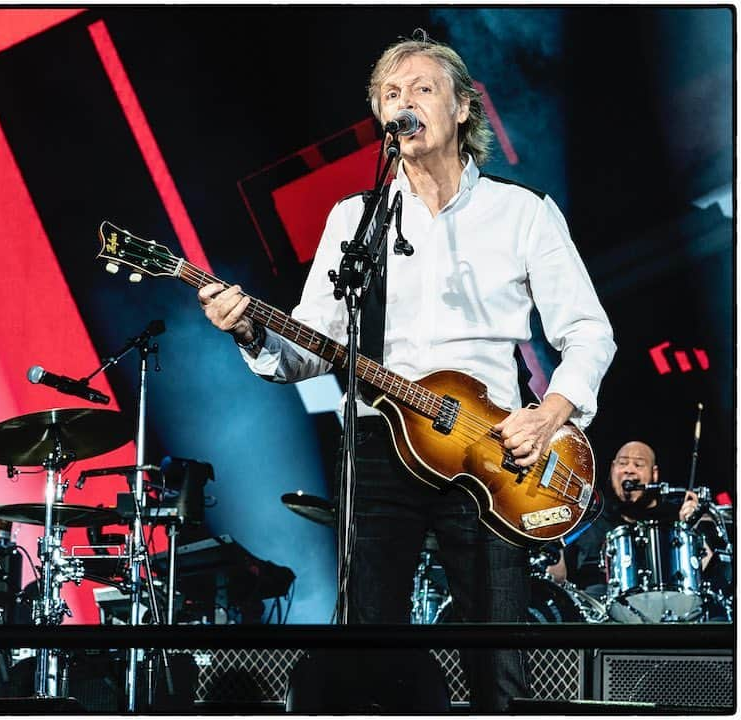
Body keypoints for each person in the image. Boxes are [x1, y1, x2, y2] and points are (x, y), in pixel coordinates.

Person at [198, 32, 615, 711]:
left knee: (496, 649)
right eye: (391, 93)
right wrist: (250, 328)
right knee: (365, 646)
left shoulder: (522, 212)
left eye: (422, 89)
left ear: (461, 111)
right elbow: (310, 348)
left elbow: (589, 332)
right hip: (378, 446)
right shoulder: (355, 222)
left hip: (493, 449)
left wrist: (550, 412)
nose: (405, 102)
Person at [550, 441, 712, 600]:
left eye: (639, 464)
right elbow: (556, 579)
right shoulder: (590, 515)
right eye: (623, 463)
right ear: (612, 469)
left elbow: (704, 571)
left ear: (654, 474)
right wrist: (552, 532)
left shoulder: (673, 517)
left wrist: (690, 528)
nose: (629, 470)